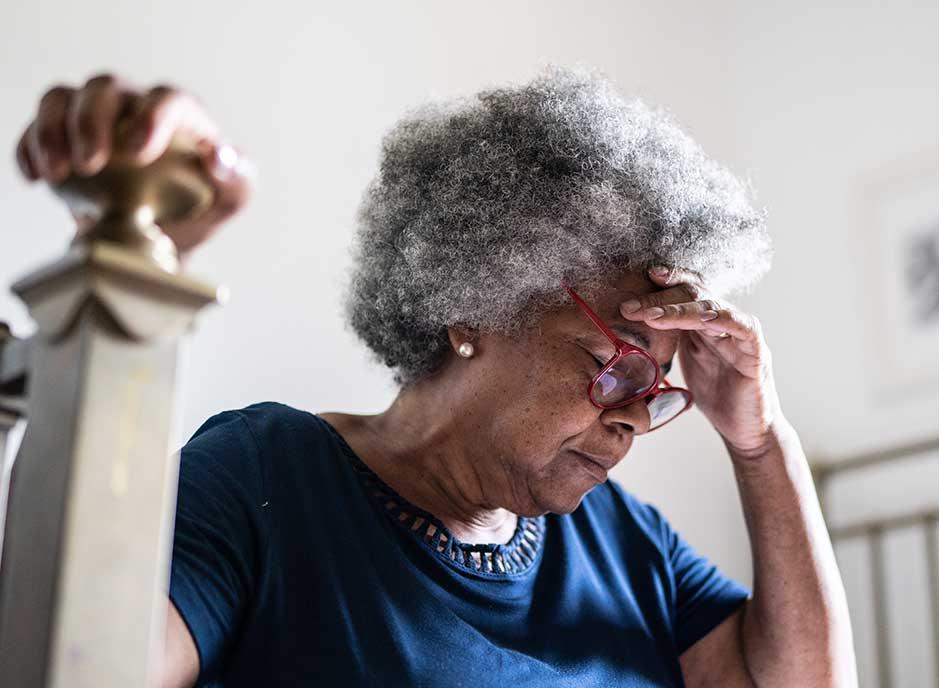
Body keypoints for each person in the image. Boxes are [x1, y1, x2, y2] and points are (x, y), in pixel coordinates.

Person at [15, 67, 856, 687]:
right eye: (612, 368)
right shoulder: (265, 475)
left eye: (657, 389)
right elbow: (83, 666)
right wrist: (140, 260)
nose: (634, 420)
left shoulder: (626, 543)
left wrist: (759, 441)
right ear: (474, 308)